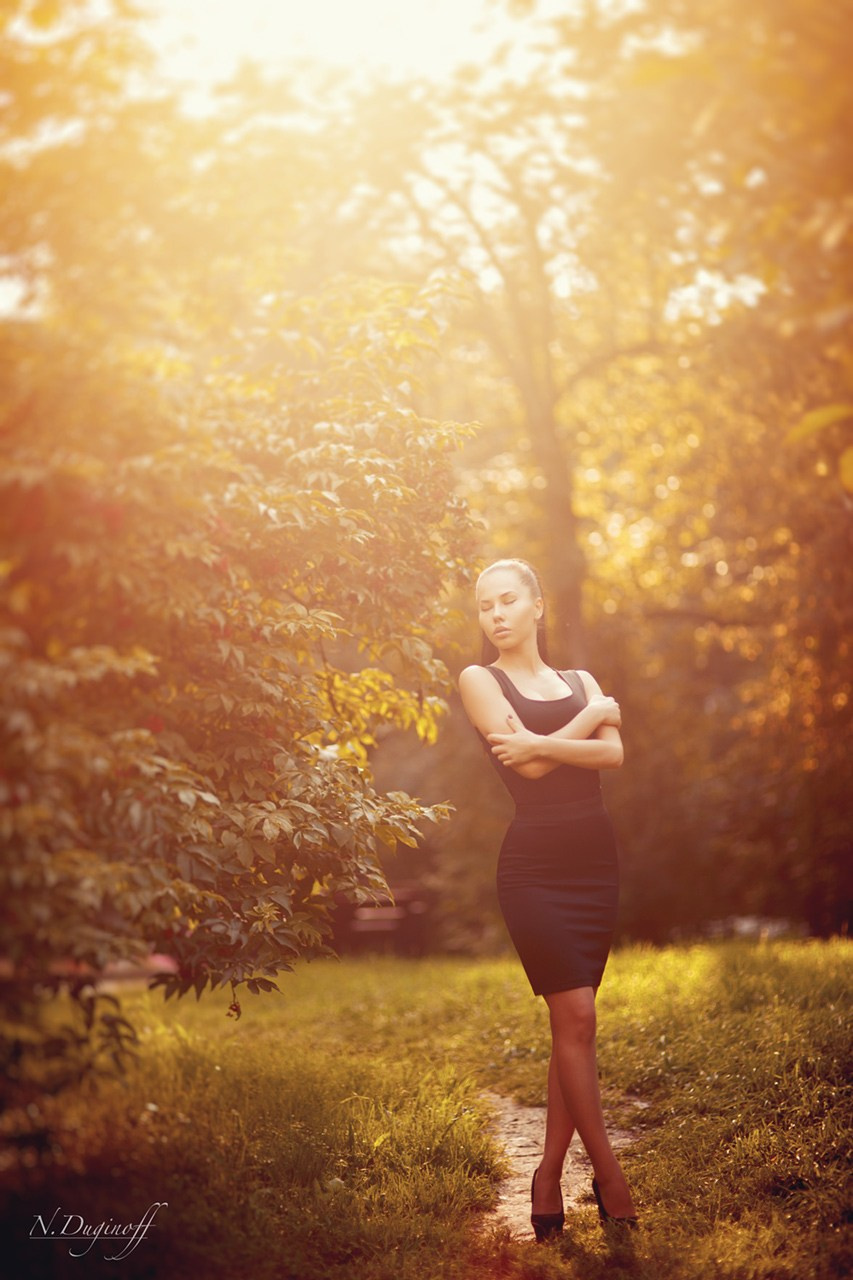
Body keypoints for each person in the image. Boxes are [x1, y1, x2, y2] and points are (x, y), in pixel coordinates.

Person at [457, 557, 638, 1240]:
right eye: (484, 606)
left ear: (537, 605)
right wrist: (588, 720)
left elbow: (612, 758)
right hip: (532, 869)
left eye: (507, 600)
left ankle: (546, 1173)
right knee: (579, 1014)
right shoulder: (480, 680)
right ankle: (610, 1176)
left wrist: (547, 737)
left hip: (593, 863)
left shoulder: (579, 679)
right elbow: (527, 767)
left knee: (573, 1028)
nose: (495, 615)